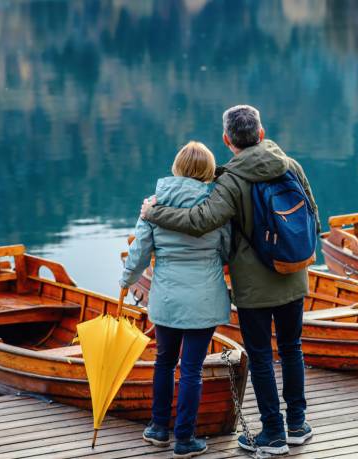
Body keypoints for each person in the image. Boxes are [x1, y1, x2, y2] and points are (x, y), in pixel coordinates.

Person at [141, 105, 320, 455]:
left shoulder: (232, 180)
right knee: (291, 348)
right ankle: (297, 424)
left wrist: (154, 212)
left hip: (254, 288)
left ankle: (273, 434)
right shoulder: (291, 165)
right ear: (262, 133)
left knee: (262, 356)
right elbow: (313, 211)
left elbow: (199, 220)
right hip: (294, 274)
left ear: (227, 140)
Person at [120, 141, 231, 459]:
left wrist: (126, 281)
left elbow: (140, 252)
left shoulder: (153, 205)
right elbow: (227, 249)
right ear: (208, 171)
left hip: (166, 298)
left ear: (177, 168)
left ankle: (157, 429)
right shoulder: (215, 207)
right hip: (204, 297)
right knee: (192, 369)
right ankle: (185, 440)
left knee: (164, 363)